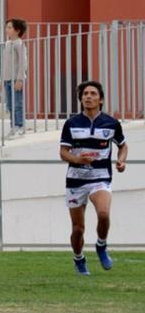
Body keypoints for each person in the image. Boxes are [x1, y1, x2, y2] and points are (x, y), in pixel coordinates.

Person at [61, 80, 127, 276]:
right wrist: (78, 159)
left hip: (100, 178)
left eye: (93, 94)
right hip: (76, 181)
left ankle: (101, 245)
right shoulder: (71, 124)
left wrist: (121, 160)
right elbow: (63, 152)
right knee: (78, 229)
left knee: (104, 214)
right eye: (85, 94)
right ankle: (79, 258)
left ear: (101, 99)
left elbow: (122, 145)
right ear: (81, 99)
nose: (88, 97)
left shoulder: (111, 123)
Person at [2, 18, 28, 136]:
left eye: (9, 27)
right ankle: (13, 126)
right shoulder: (7, 44)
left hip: (16, 79)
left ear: (17, 31)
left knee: (17, 103)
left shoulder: (19, 44)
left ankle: (20, 125)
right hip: (7, 79)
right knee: (10, 104)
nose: (7, 30)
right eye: (6, 27)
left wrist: (20, 79)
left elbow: (23, 62)